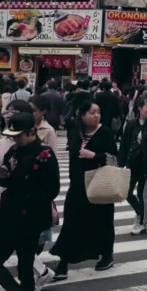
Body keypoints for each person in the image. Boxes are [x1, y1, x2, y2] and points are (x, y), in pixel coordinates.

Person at [0, 101, 54, 291]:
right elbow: (8, 177)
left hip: (29, 217)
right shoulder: (14, 151)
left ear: (31, 132)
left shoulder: (44, 154)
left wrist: (26, 196)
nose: (15, 140)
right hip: (9, 214)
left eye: (19, 136)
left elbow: (52, 188)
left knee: (25, 266)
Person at [52, 99, 119, 278]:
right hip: (78, 186)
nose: (96, 115)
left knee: (103, 222)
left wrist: (95, 155)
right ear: (82, 115)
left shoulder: (105, 133)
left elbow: (115, 158)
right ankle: (63, 262)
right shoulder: (76, 132)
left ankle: (106, 255)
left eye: (98, 112)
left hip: (99, 185)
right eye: (92, 113)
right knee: (72, 222)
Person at [120, 93, 147, 234]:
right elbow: (124, 144)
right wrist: (121, 162)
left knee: (142, 192)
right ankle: (139, 211)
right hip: (132, 163)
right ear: (139, 108)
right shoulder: (131, 124)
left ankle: (142, 222)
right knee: (127, 192)